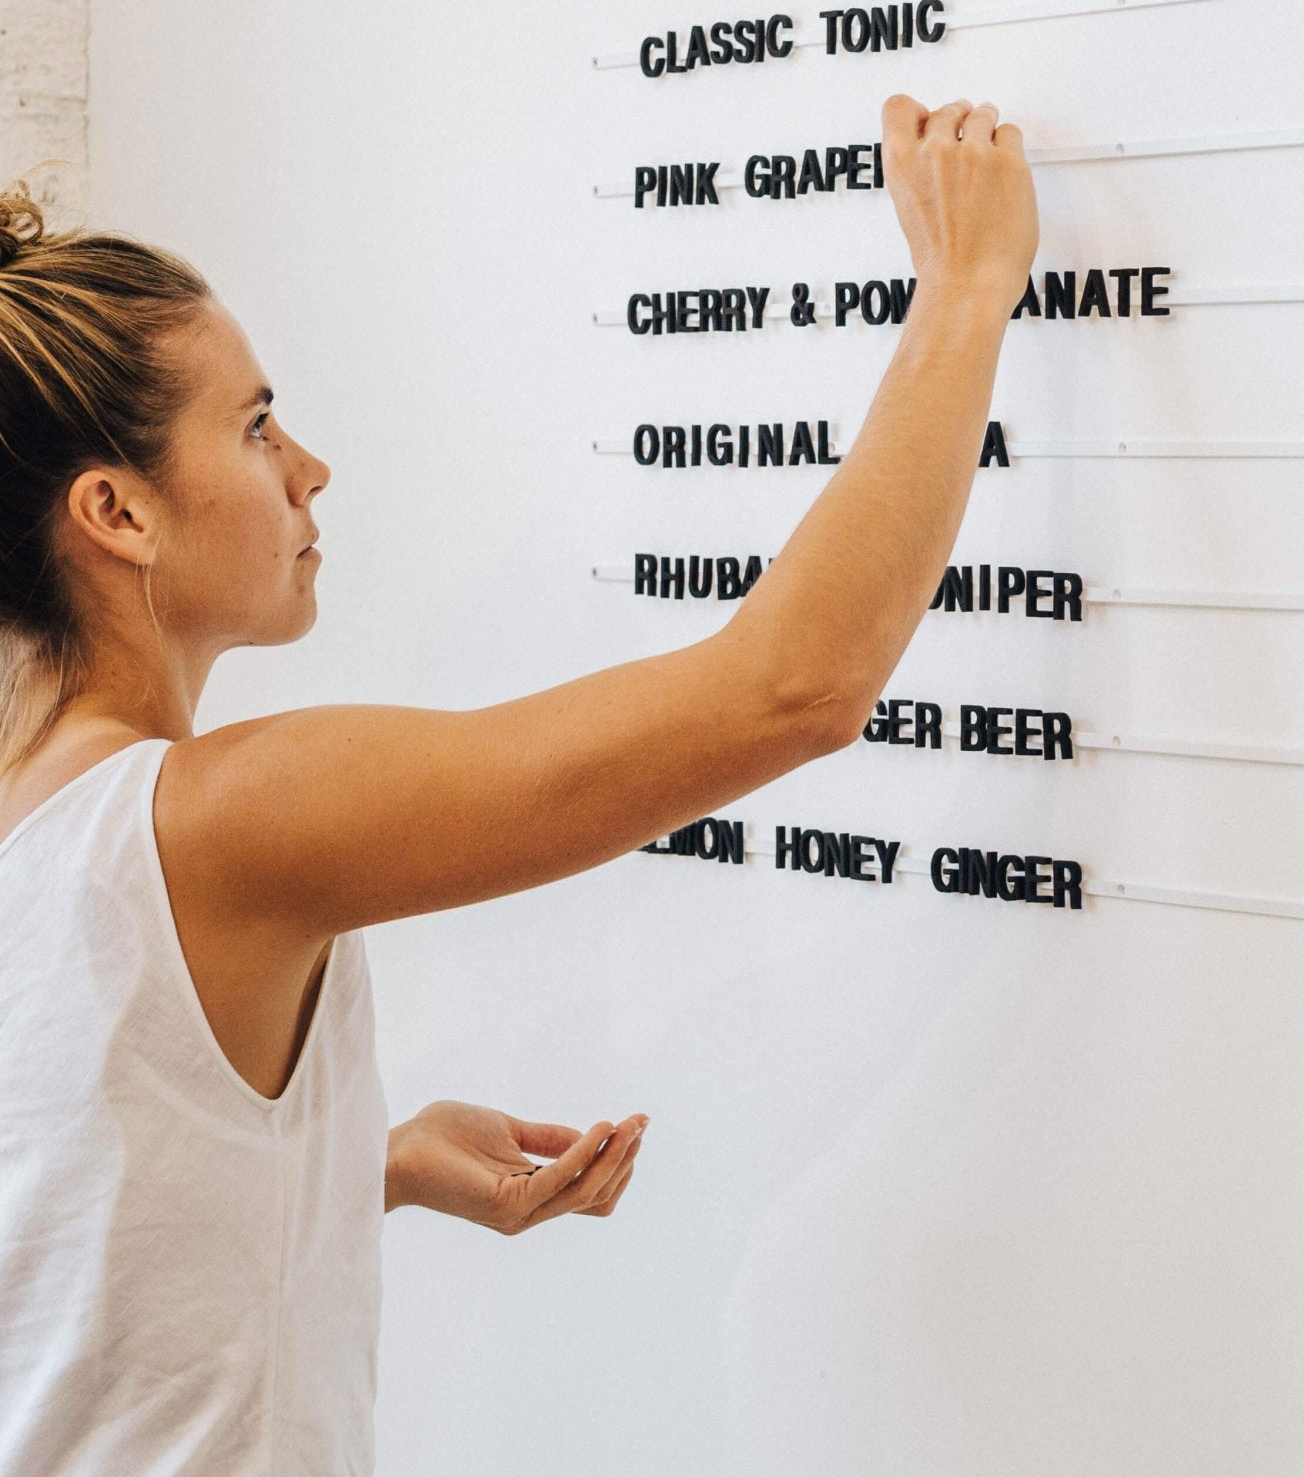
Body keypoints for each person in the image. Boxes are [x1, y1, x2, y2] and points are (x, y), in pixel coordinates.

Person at [0, 93, 1038, 1475]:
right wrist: (967, 290)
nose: (309, 470)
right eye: (255, 429)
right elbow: (792, 687)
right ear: (117, 513)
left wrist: (355, 1165)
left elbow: (53, 1206)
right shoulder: (220, 821)